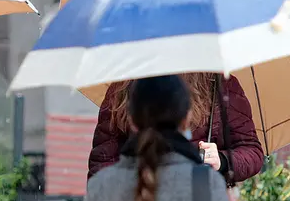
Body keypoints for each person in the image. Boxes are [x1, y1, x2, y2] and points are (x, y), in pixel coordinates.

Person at [78, 75, 256, 201]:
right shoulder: (206, 186)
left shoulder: (100, 188)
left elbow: (250, 149)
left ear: (131, 117)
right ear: (187, 117)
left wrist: (222, 159)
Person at [88, 73, 263, 184]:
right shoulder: (126, 84)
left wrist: (223, 160)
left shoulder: (221, 86)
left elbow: (251, 151)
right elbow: (102, 161)